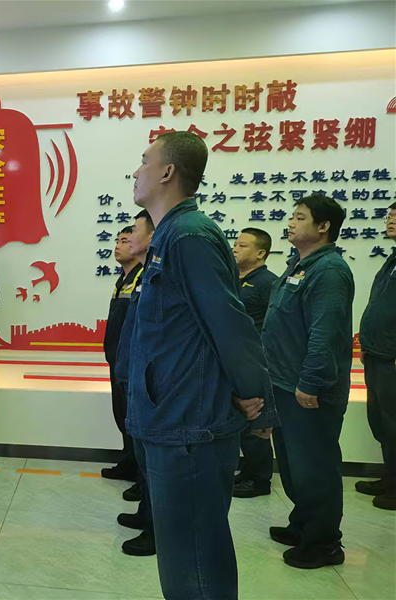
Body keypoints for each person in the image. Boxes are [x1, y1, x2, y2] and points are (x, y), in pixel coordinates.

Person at [125, 131, 276, 600]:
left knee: (192, 556)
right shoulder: (171, 234)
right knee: (182, 550)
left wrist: (257, 398)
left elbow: (229, 323)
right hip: (172, 415)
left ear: (168, 172)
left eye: (145, 161)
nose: (136, 171)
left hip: (189, 423)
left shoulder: (189, 235)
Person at [262, 194, 354, 569]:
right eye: (292, 216)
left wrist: (311, 381)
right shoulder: (298, 265)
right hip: (284, 383)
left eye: (300, 217)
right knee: (294, 465)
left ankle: (324, 543)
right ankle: (302, 525)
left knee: (315, 467)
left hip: (308, 389)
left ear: (323, 227)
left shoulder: (329, 270)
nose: (291, 222)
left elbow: (325, 333)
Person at [114, 210, 157, 557]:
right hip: (132, 374)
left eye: (135, 231)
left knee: (156, 462)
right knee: (144, 457)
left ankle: (157, 531)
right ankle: (147, 514)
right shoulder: (143, 275)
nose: (127, 238)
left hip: (149, 380)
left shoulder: (159, 274)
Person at [232, 228, 279, 499]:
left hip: (257, 363)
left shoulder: (268, 283)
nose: (235, 249)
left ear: (261, 253)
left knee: (256, 421)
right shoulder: (232, 279)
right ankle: (248, 471)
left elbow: (275, 326)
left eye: (243, 245)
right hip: (235, 361)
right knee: (240, 420)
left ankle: (260, 479)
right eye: (236, 244)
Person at [355, 201, 396, 511]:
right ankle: (390, 477)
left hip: (391, 357)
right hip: (378, 354)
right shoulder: (392, 258)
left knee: (394, 422)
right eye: (390, 215)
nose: (391, 220)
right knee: (381, 422)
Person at [101, 226, 143, 481]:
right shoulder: (123, 280)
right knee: (122, 414)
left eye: (125, 240)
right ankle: (128, 462)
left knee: (134, 416)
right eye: (117, 240)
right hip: (117, 359)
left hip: (132, 362)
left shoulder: (142, 278)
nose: (118, 245)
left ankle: (141, 473)